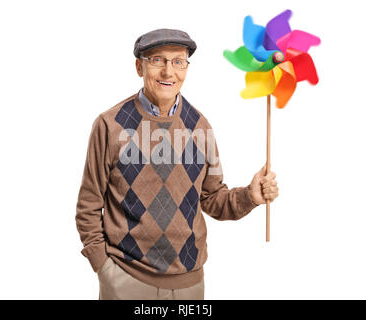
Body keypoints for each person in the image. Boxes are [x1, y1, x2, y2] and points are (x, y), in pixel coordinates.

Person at [75, 28, 279, 300]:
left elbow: (212, 198)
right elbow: (88, 205)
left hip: (189, 285)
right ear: (139, 66)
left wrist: (250, 197)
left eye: (178, 61)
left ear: (186, 67)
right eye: (157, 60)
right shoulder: (109, 125)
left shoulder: (200, 127)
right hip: (125, 279)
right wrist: (103, 267)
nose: (168, 72)